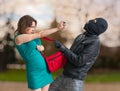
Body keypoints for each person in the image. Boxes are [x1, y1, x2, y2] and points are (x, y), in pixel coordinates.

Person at [49, 17, 108, 91]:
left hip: (75, 80)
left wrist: (62, 48)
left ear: (97, 28)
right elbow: (70, 53)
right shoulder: (81, 36)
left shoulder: (94, 43)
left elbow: (79, 61)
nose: (90, 21)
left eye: (94, 21)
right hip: (64, 74)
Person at [14, 15, 65, 91]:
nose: (33, 29)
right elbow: (40, 34)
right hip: (34, 72)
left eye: (34, 27)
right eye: (31, 27)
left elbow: (39, 49)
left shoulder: (34, 37)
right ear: (23, 26)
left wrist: (42, 48)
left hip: (45, 70)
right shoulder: (18, 38)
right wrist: (57, 28)